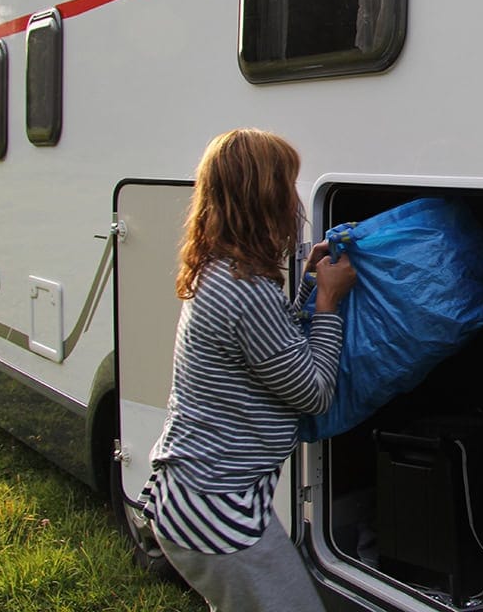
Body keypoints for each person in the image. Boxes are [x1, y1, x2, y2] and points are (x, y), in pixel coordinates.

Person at [138, 128, 357, 611]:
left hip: (195, 496)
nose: (296, 199)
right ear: (265, 197)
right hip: (215, 511)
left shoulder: (221, 269)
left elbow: (272, 351)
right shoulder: (245, 291)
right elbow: (314, 391)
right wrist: (327, 302)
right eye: (288, 185)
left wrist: (306, 284)